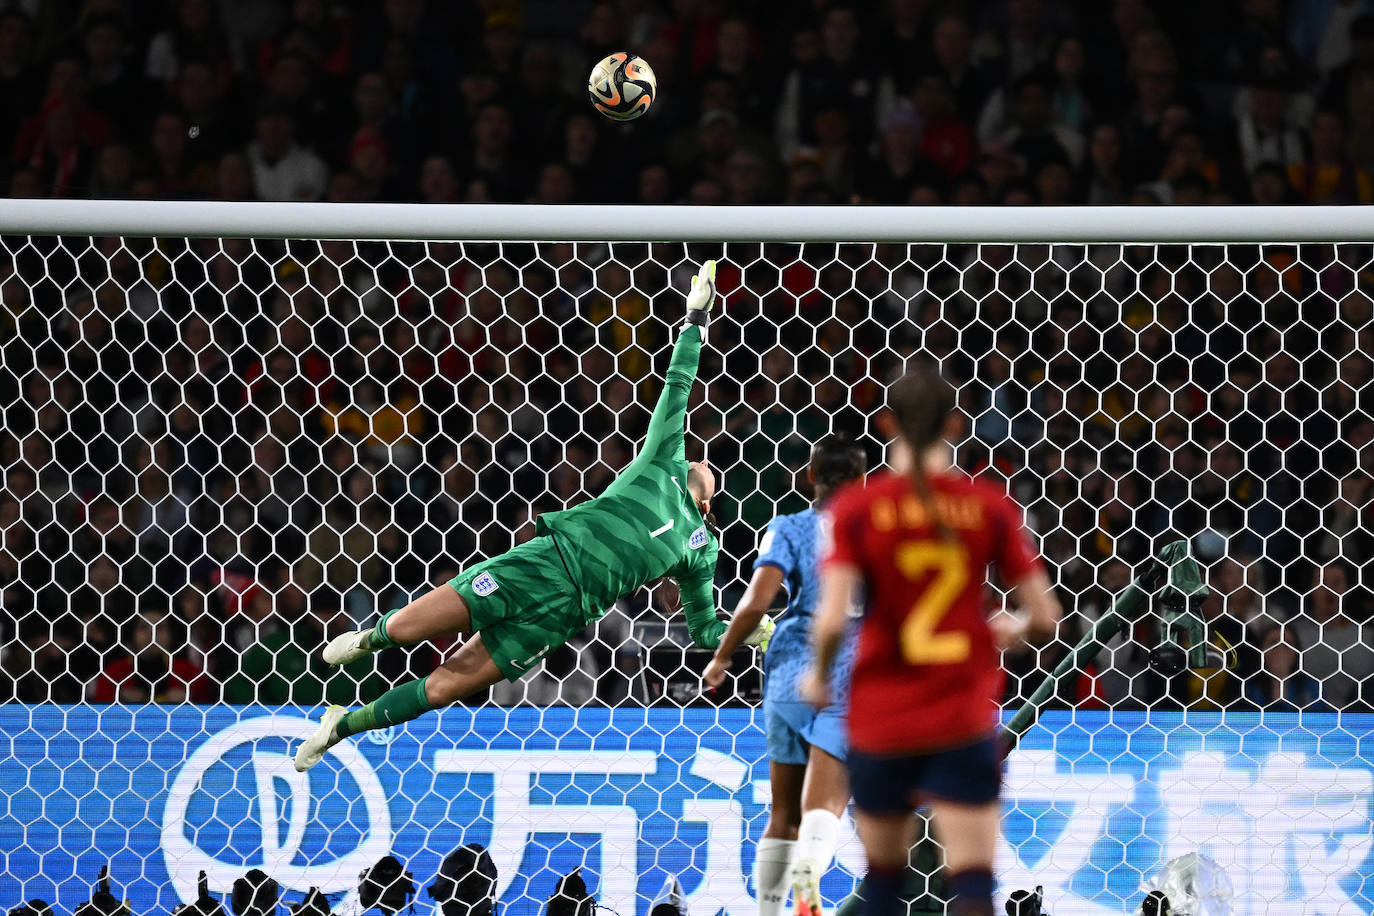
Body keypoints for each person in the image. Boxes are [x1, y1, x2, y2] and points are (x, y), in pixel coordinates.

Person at [295, 262, 770, 770]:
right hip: (542, 563)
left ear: (707, 505)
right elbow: (679, 384)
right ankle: (371, 638)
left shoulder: (701, 548)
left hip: (566, 613)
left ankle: (341, 726)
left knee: (448, 684)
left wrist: (749, 630)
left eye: (710, 469)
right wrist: (695, 319)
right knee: (410, 630)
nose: (704, 461)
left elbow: (703, 630)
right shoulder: (663, 458)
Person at [801, 366, 1060, 916]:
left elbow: (829, 620)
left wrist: (818, 676)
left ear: (886, 422)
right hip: (960, 717)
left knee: (886, 883)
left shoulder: (859, 509)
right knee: (970, 883)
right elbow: (1045, 616)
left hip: (881, 718)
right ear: (956, 424)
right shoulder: (988, 506)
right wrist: (1007, 629)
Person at [702, 435, 867, 916]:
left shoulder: (787, 527)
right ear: (860, 482)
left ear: (810, 474)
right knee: (827, 805)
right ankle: (807, 881)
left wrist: (723, 655)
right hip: (846, 669)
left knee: (782, 811)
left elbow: (756, 601)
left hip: (789, 663)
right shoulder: (873, 531)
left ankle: (769, 910)